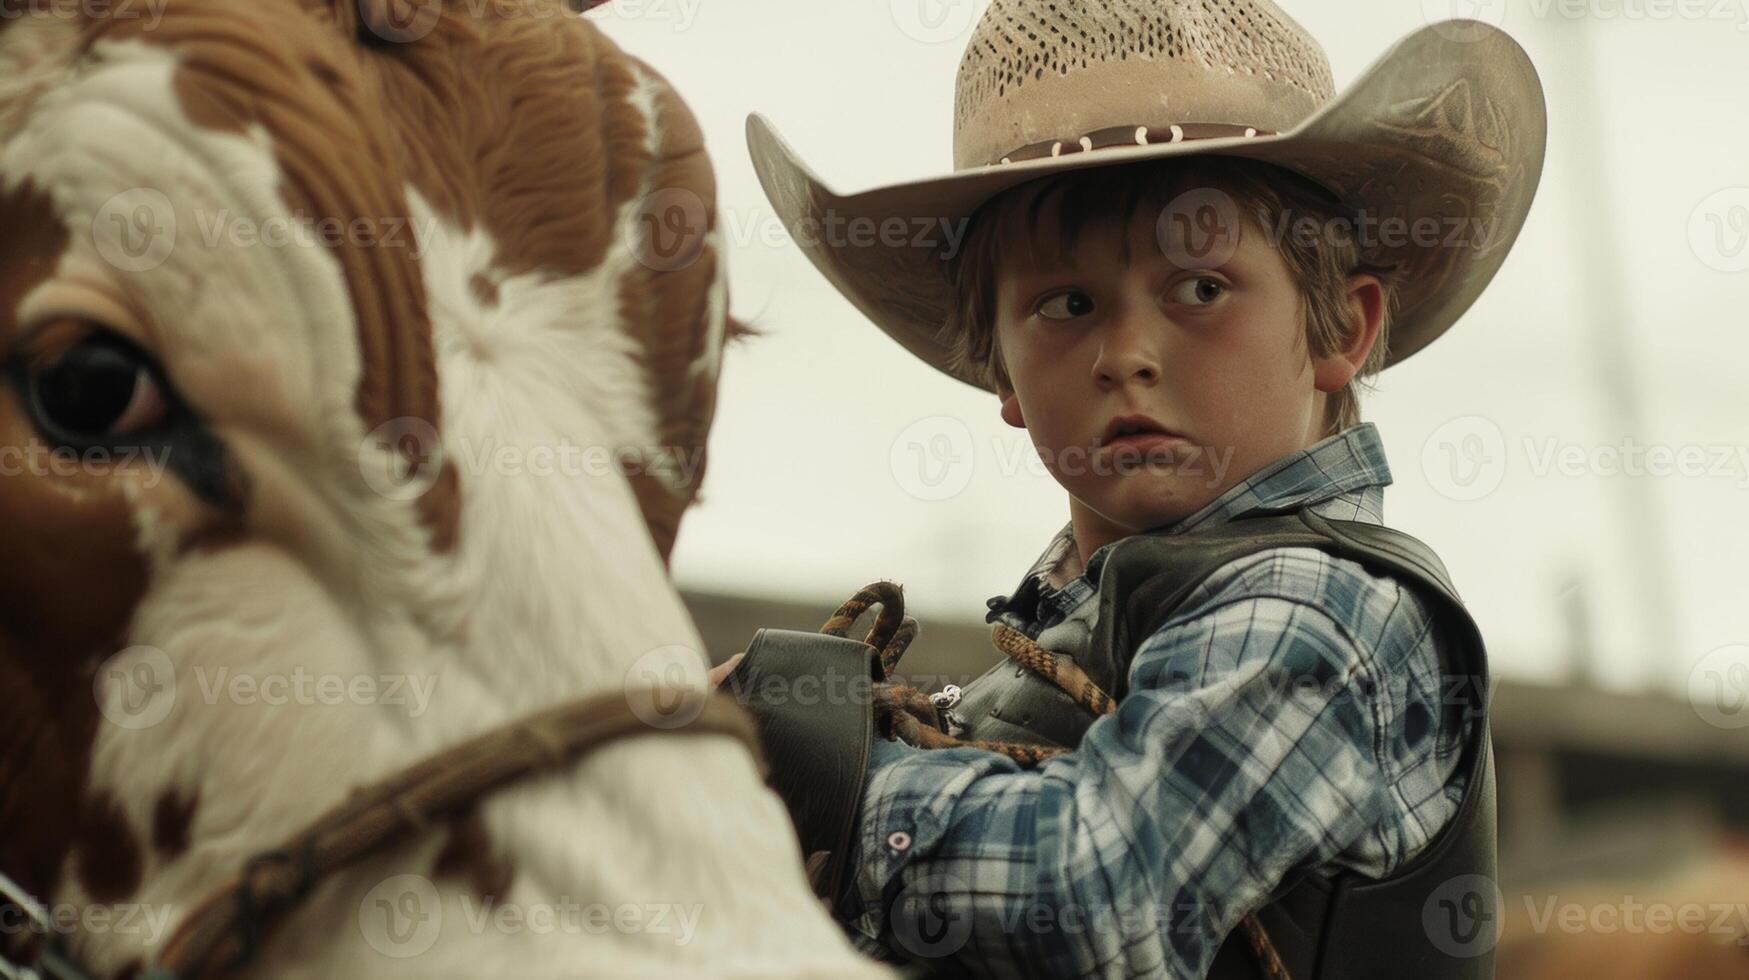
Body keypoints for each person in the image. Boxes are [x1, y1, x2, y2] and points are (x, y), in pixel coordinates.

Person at [726, 1, 1548, 976]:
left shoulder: (1323, 611)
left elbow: (1103, 886)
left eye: (1200, 287)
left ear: (1341, 329)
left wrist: (810, 771)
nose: (1125, 355)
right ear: (1002, 373)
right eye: (1066, 303)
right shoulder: (1041, 664)